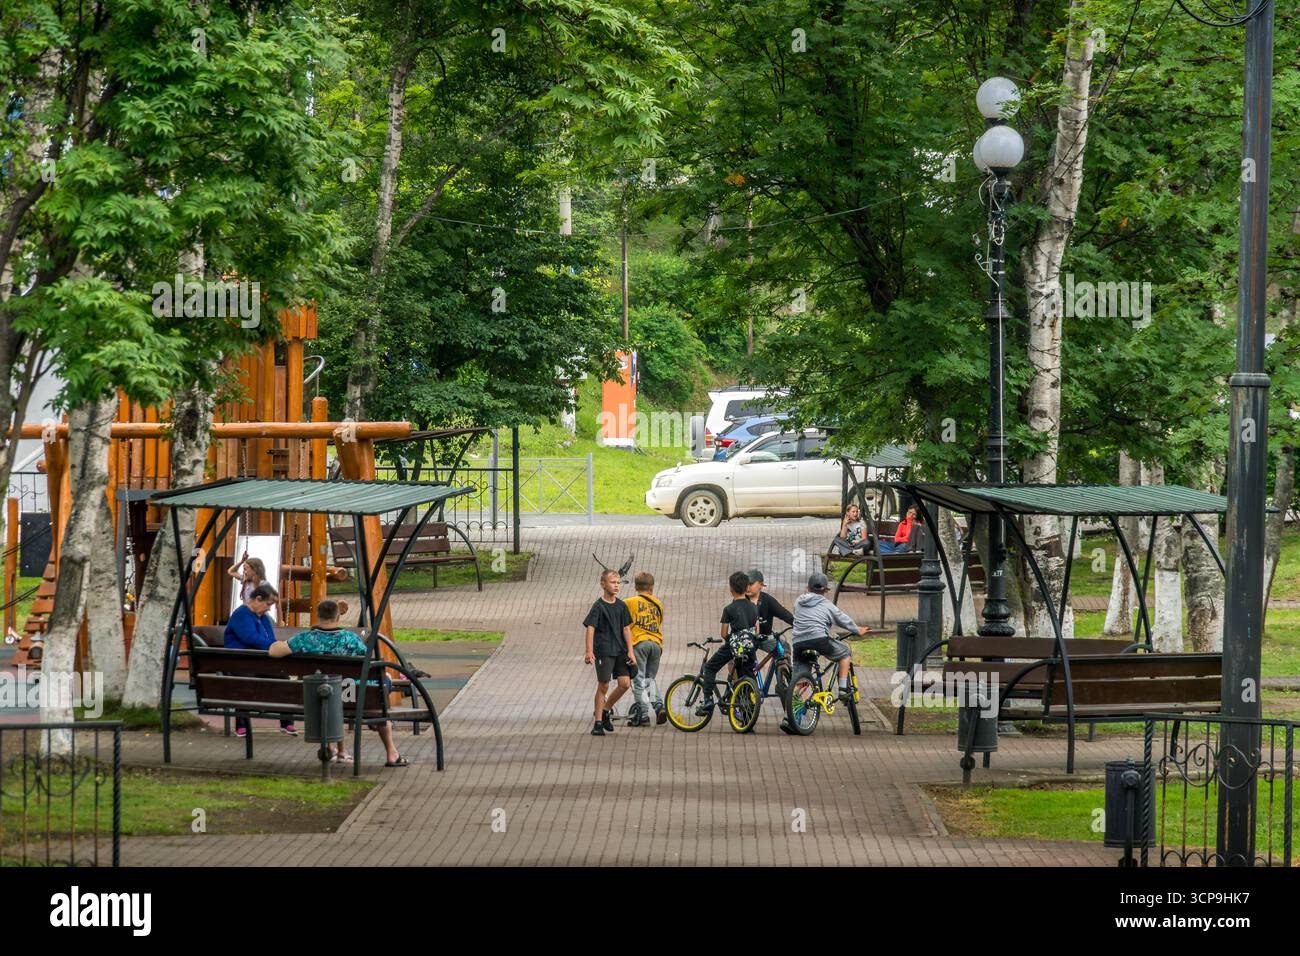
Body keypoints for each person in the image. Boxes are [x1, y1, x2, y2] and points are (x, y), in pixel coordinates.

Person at [267, 599, 407, 767]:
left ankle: (334, 748)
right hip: (351, 697)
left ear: (318, 616)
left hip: (316, 696)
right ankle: (391, 753)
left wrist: (277, 642)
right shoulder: (351, 639)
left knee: (337, 693)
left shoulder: (305, 638)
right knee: (381, 689)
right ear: (338, 617)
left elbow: (274, 651)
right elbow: (369, 665)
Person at [223, 583, 296, 737]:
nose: (268, 609)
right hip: (239, 662)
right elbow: (250, 638)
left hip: (259, 661)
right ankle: (241, 724)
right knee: (245, 682)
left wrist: (276, 645)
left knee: (283, 677)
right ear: (257, 599)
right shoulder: (241, 614)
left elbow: (270, 638)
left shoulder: (263, 617)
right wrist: (276, 647)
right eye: (268, 604)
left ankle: (287, 722)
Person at [790, 572, 866, 703]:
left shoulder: (798, 602)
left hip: (798, 643)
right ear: (825, 590)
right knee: (845, 652)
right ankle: (842, 689)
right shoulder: (827, 605)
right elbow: (843, 619)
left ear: (808, 588)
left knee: (801, 680)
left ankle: (789, 715)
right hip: (819, 640)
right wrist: (857, 630)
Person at [583, 569, 637, 736]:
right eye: (613, 582)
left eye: (618, 583)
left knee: (625, 684)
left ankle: (606, 710)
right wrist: (589, 651)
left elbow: (626, 629)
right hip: (604, 650)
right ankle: (598, 723)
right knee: (604, 685)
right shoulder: (598, 606)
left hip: (621, 650)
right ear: (603, 584)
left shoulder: (621, 606)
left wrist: (631, 651)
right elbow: (590, 628)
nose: (616, 586)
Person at [697, 571, 759, 715]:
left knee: (710, 667)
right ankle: (748, 715)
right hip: (750, 647)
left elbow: (724, 633)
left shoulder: (729, 609)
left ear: (731, 589)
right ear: (746, 588)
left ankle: (708, 700)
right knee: (748, 676)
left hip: (733, 647)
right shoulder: (754, 608)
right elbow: (755, 628)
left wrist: (732, 640)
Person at [624, 571, 666, 727]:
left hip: (639, 643)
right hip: (656, 644)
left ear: (635, 586)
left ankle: (642, 716)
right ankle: (659, 706)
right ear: (652, 588)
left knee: (639, 680)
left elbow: (625, 624)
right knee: (650, 679)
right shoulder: (658, 603)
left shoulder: (629, 602)